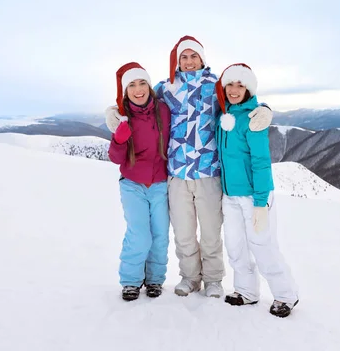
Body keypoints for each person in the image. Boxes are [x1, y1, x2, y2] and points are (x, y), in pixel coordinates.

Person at [105, 36, 273, 298]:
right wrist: (112, 112)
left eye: (194, 56)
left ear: (203, 59)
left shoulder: (216, 85)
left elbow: (240, 100)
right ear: (177, 61)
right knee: (183, 234)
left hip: (208, 172)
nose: (189, 61)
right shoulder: (166, 87)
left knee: (209, 233)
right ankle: (190, 277)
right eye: (184, 57)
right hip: (176, 173)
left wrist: (265, 109)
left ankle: (214, 280)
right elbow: (138, 100)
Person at [214, 63, 299, 317]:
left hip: (254, 195)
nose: (234, 90)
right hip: (230, 195)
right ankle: (247, 292)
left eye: (241, 85)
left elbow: (261, 162)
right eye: (230, 84)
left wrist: (261, 202)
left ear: (249, 89)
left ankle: (286, 295)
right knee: (235, 245)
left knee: (262, 244)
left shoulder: (254, 119)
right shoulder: (224, 116)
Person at [107, 62, 171, 301]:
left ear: (149, 85)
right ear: (126, 91)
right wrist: (119, 140)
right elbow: (115, 159)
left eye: (142, 82)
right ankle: (131, 281)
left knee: (160, 235)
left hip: (160, 184)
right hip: (133, 184)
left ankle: (155, 279)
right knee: (139, 234)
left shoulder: (163, 110)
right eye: (132, 85)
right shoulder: (122, 117)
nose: (138, 89)